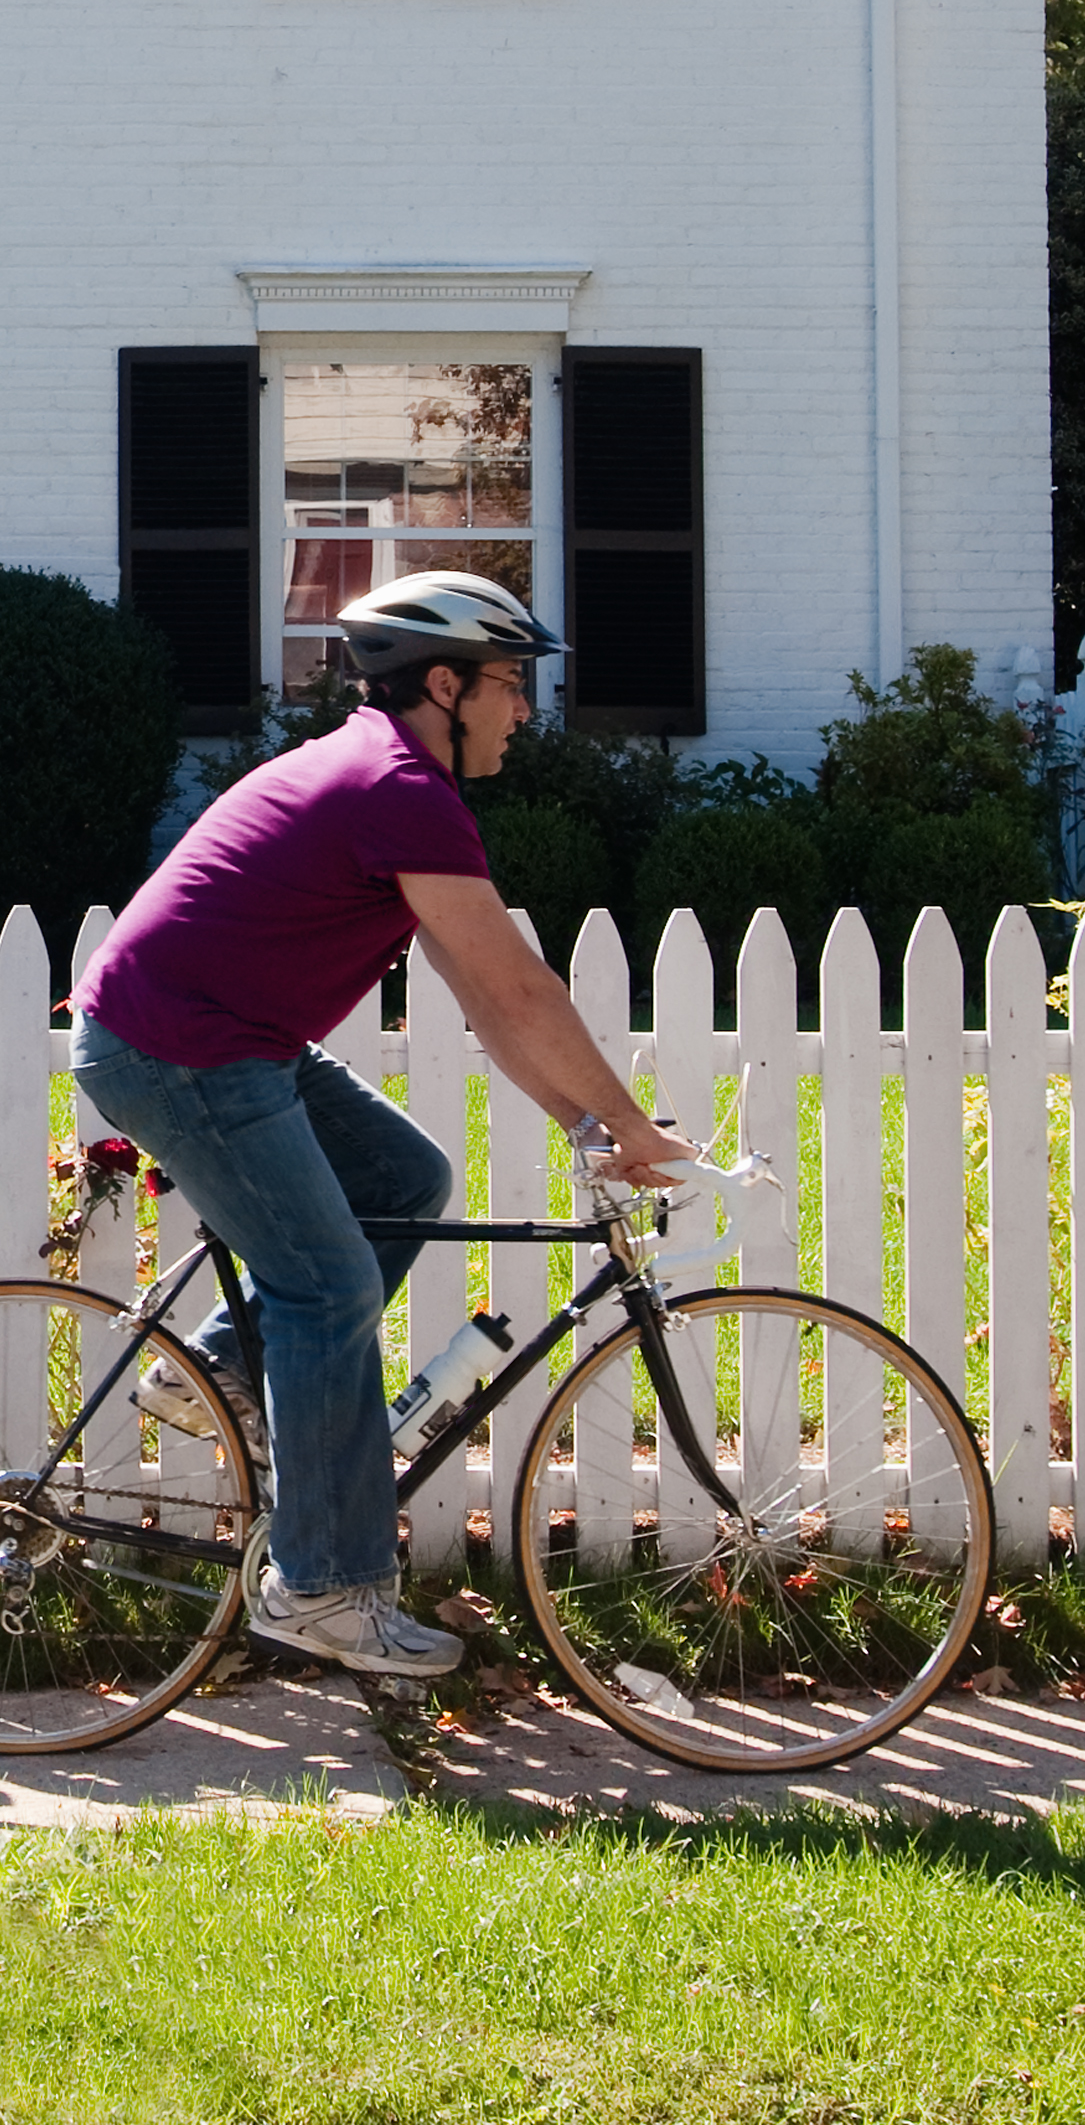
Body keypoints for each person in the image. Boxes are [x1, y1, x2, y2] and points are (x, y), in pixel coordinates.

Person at [74, 572, 691, 1681]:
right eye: (510, 684)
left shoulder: (391, 778)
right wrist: (629, 1120)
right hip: (181, 1045)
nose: (524, 709)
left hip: (221, 1035)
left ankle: (219, 1374)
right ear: (443, 685)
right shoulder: (396, 789)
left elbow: (481, 994)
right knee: (328, 1287)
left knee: (402, 1179)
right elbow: (520, 990)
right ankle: (322, 1590)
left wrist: (583, 1125)